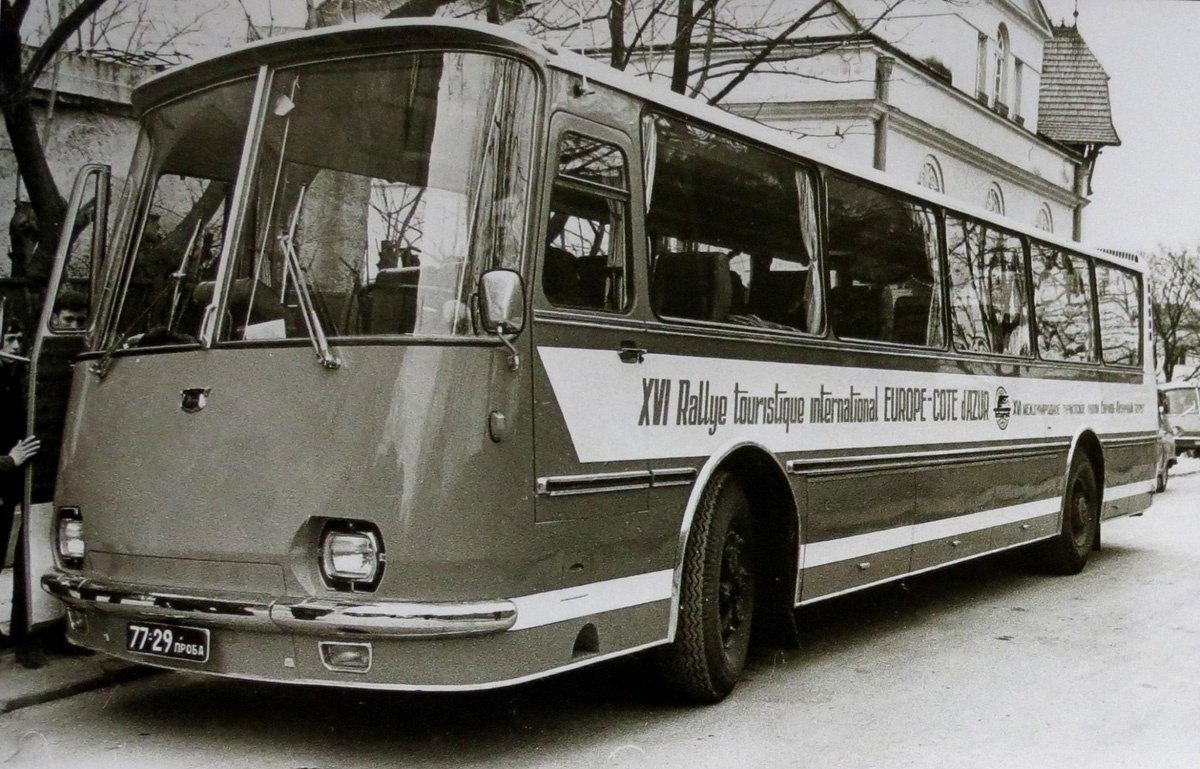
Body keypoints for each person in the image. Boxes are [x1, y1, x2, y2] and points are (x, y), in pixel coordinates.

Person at [0, 317, 44, 667]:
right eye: (9, 339)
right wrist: (8, 461)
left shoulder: (14, 379)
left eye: (19, 340)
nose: (16, 347)